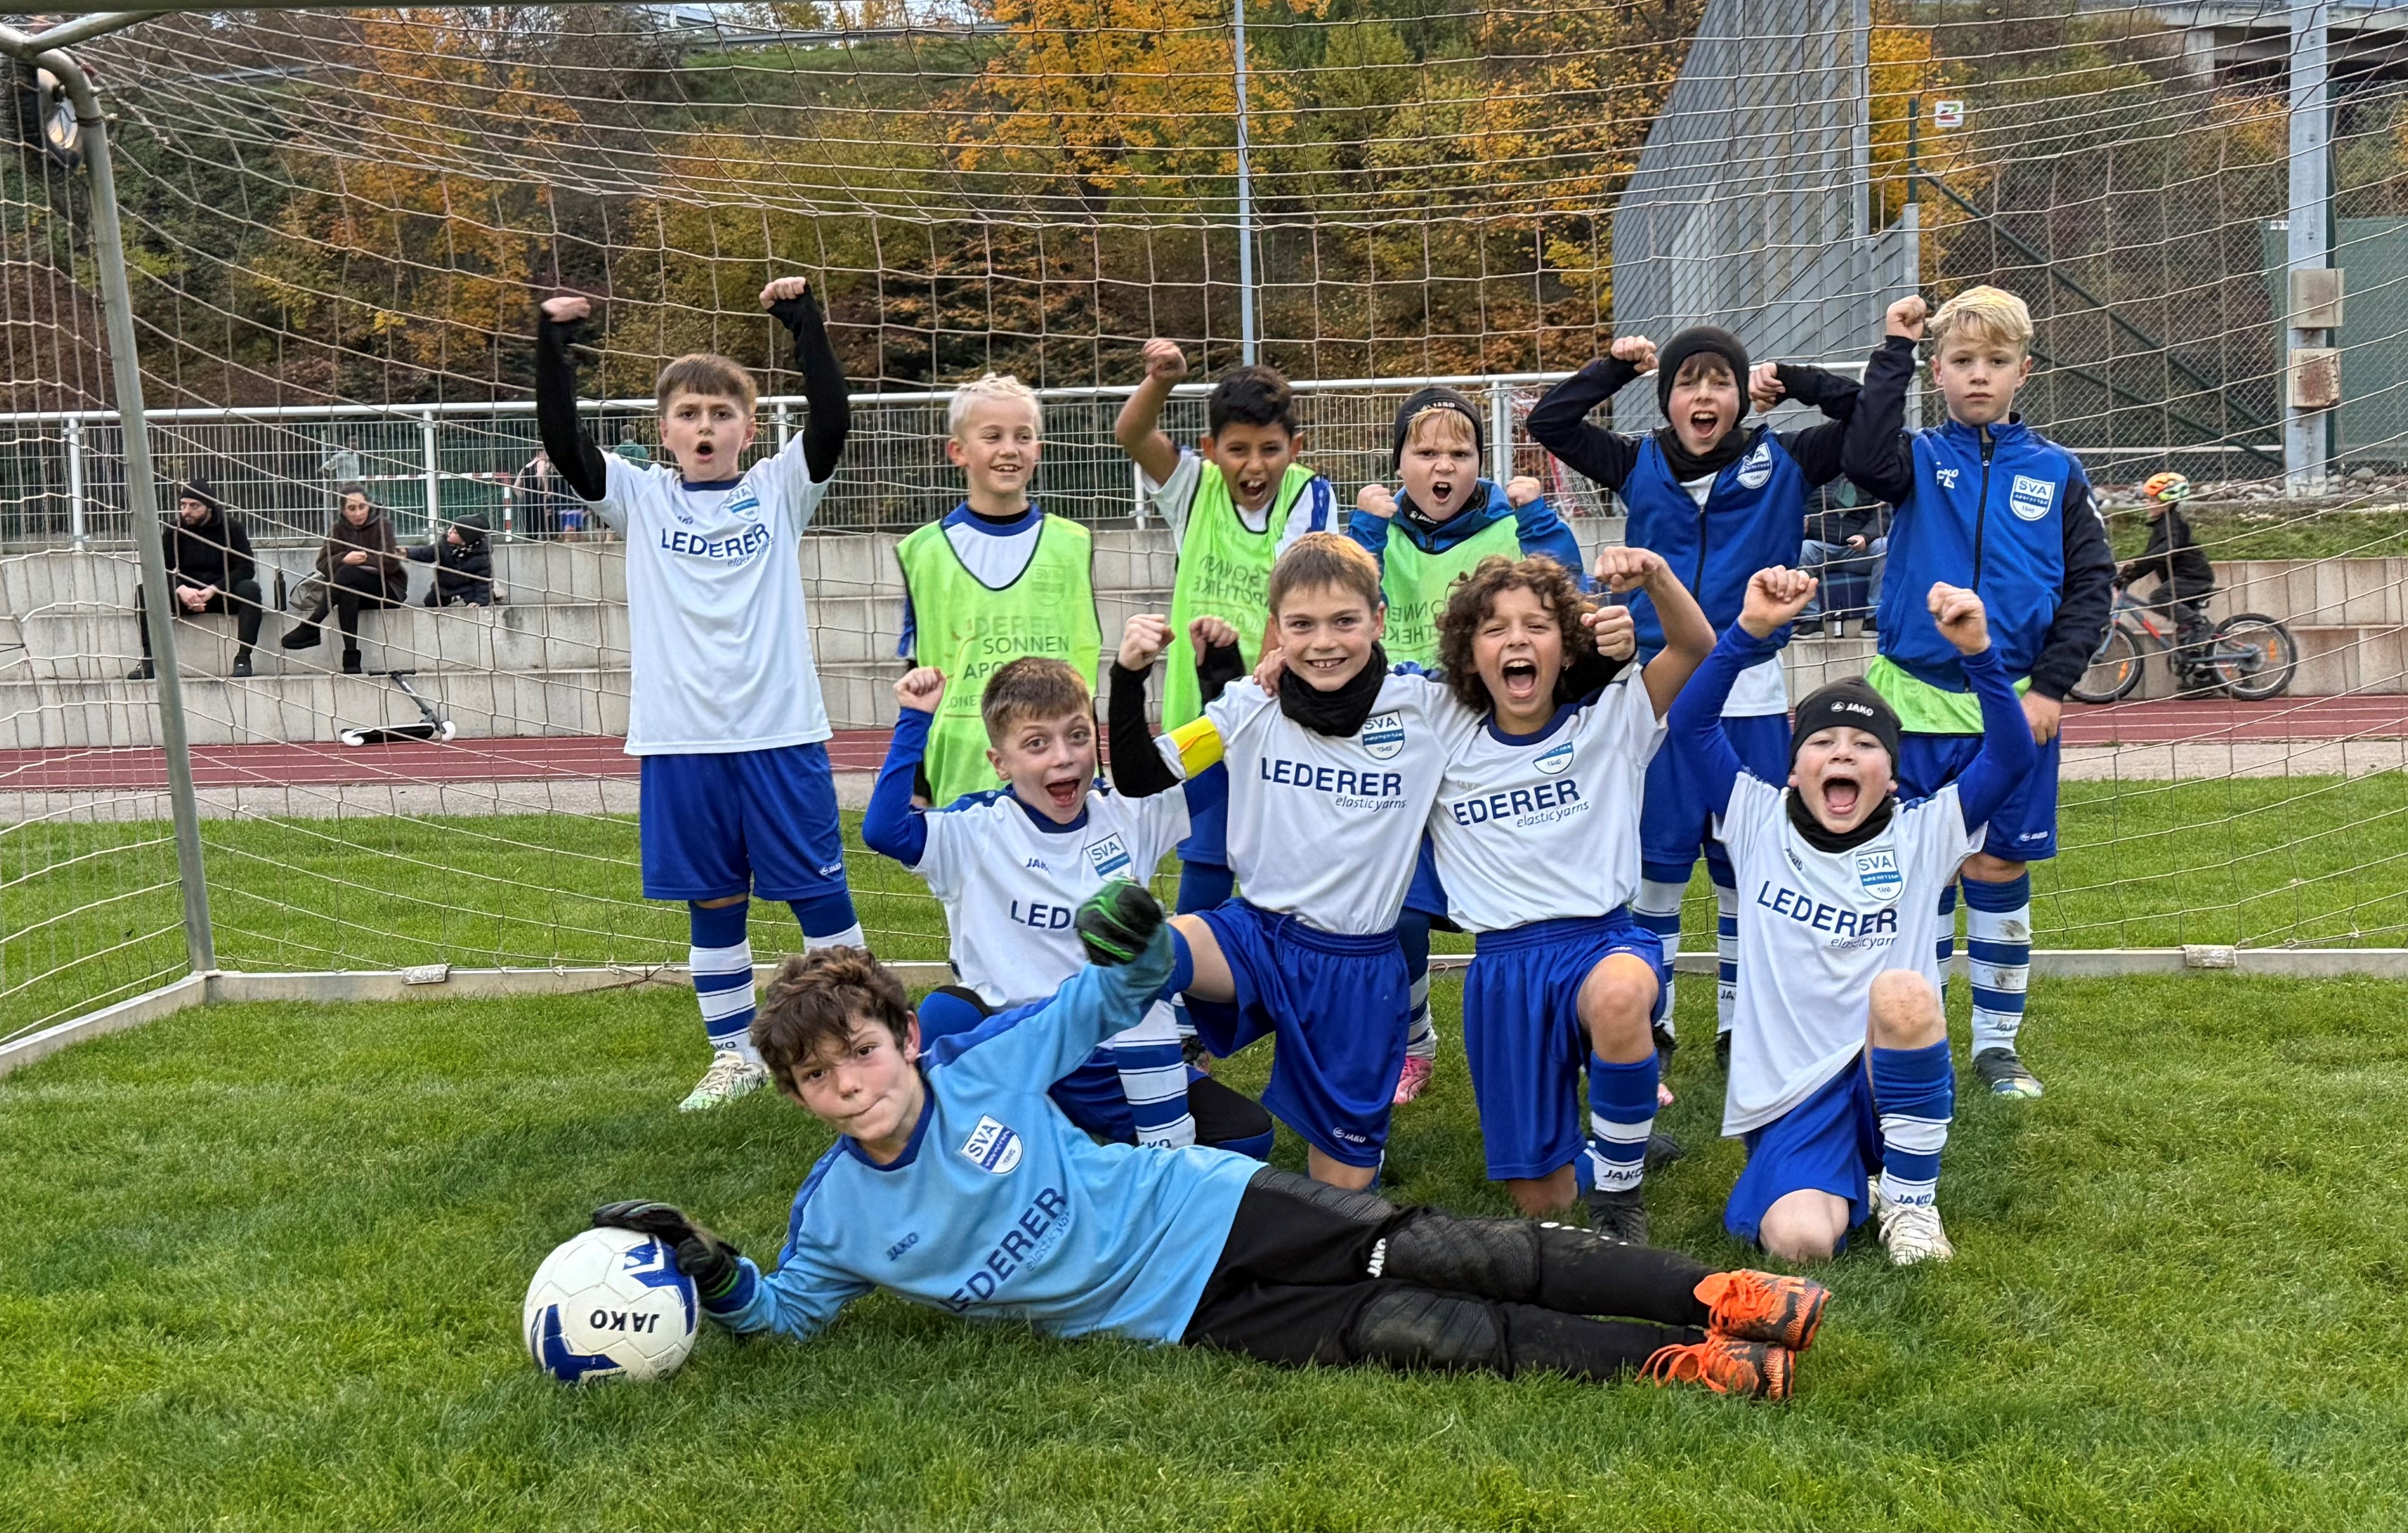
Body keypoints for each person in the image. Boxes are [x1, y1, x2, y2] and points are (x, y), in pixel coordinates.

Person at [590, 883, 1830, 1400]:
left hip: (1206, 1207)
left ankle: (1723, 1293)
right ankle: (1687, 1362)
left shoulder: (986, 1064)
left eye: (860, 1050)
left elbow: (1114, 993)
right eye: (817, 1076)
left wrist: (1134, 936)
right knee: (1421, 1334)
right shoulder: (838, 1218)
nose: (848, 1081)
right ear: (801, 1097)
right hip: (1172, 1316)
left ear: (907, 1038)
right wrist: (709, 1269)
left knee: (1454, 1249)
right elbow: (787, 1314)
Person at [1525, 326, 1902, 1088]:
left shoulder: (1786, 457)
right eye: (1687, 382)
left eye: (1719, 382)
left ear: (1739, 394)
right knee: (1656, 868)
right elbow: (1549, 424)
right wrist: (1612, 369)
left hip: (1752, 694)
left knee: (1750, 864)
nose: (1704, 396)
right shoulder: (1639, 461)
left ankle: (1742, 1022)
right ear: (1667, 397)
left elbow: (1871, 426)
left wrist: (1798, 377)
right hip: (1659, 691)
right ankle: (1651, 1021)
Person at [536, 275, 864, 1113]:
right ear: (665, 431)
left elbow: (831, 422)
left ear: (749, 431)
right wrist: (556, 347)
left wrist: (805, 326)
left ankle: (862, 1035)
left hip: (779, 730)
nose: (705, 426)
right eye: (690, 414)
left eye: (722, 414)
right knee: (713, 900)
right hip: (681, 741)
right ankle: (734, 1056)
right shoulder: (641, 497)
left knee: (818, 894)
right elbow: (565, 441)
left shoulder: (778, 491)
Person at [1669, 567, 2035, 1265]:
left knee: (1904, 994)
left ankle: (1910, 1202)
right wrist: (1749, 633)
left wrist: (1979, 653)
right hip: (1791, 1094)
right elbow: (1690, 721)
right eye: (1822, 743)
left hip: (1880, 1064)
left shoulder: (1926, 831)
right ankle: (1856, 1181)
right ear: (1793, 769)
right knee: (1801, 1243)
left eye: (1865, 746)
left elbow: (2013, 753)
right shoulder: (1754, 817)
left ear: (1892, 777)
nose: (1843, 752)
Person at [1831, 288, 2117, 1101]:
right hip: (1915, 705)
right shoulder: (1915, 458)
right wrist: (1893, 347)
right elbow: (1861, 460)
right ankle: (1908, 1029)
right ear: (1939, 371)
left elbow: (2092, 585)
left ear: (2023, 371)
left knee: (1995, 866)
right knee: (1916, 872)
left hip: (2012, 706)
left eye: (1995, 362)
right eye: (1961, 361)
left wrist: (2055, 684)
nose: (1978, 376)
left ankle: (1996, 1046)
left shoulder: (2058, 471)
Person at [1135, 533, 1456, 1190]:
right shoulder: (1251, 705)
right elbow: (1145, 775)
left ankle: (1349, 1147)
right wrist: (1127, 673)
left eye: (1344, 621)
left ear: (1379, 620)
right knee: (1138, 955)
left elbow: (1526, 691)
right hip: (1259, 935)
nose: (1324, 642)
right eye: (1302, 625)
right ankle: (1154, 1122)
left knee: (1342, 1198)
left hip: (1358, 971)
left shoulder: (1426, 708)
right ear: (1277, 631)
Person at [864, 645, 1270, 1158]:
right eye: (1037, 744)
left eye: (1078, 736)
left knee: (1249, 1134)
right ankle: (986, 1140)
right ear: (1000, 763)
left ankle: (1087, 1135)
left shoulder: (1127, 812)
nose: (1063, 757)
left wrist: (1231, 684)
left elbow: (1220, 771)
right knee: (949, 1014)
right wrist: (914, 720)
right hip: (1015, 1042)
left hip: (1107, 1053)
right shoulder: (976, 831)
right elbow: (882, 829)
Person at [1421, 546, 1713, 1242]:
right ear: (1469, 659)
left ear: (1569, 647)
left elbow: (1695, 644)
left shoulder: (1612, 720)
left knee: (1618, 997)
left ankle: (1619, 1197)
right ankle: (1616, 1145)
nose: (1516, 639)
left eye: (1537, 626)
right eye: (1494, 629)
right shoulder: (1443, 735)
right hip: (1504, 969)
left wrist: (1655, 579)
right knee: (1541, 1202)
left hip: (1604, 941)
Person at [1347, 390, 1576, 1107]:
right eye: (1425, 452)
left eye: (1459, 453)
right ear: (1399, 464)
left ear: (1480, 464)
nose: (1443, 466)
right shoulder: (1380, 529)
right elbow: (1344, 596)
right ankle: (1415, 1040)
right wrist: (1365, 530)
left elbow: (1569, 590)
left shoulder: (1507, 526)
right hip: (1402, 750)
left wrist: (1539, 516)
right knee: (1398, 908)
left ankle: (1562, 1037)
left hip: (1494, 743)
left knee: (1524, 905)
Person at [1111, 341, 1335, 953]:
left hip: (1277, 707)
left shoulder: (1309, 495)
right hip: (1204, 709)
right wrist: (1161, 381)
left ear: (1296, 447)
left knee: (1290, 863)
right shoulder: (1193, 488)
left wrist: (1268, 670)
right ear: (1212, 452)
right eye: (1238, 449)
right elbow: (1131, 431)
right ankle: (1189, 1013)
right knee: (1206, 853)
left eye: (1270, 449)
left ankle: (1292, 975)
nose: (1255, 464)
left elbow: (1297, 590)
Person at [895, 374, 1101, 807]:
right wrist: (918, 789)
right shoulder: (923, 552)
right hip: (963, 768)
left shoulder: (1073, 544)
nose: (1009, 448)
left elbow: (1085, 668)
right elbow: (917, 670)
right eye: (993, 436)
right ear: (959, 451)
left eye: (1022, 436)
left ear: (1037, 451)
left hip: (1059, 766)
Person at [128, 478, 263, 681]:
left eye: (194, 506)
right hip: (185, 595)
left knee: (251, 590)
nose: (187, 511)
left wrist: (214, 589)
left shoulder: (232, 528)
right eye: (183, 505)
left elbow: (246, 568)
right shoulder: (174, 530)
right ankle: (149, 661)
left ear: (209, 507)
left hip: (220, 594)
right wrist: (180, 590)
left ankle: (244, 657)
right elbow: (159, 569)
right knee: (144, 591)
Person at [279, 483, 407, 675]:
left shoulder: (383, 525)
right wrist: (343, 559)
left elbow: (391, 564)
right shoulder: (338, 530)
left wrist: (363, 559)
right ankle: (351, 660)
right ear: (344, 511)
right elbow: (322, 564)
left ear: (369, 506)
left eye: (361, 507)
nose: (357, 513)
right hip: (354, 590)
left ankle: (312, 625)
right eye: (351, 508)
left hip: (386, 590)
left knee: (348, 573)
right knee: (348, 590)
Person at [2122, 471, 2216, 655]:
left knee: (2160, 598)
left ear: (2167, 502)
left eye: (2152, 500)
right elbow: (2151, 559)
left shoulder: (2173, 525)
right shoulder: (2161, 526)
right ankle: (2199, 671)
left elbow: (2166, 549)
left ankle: (2201, 625)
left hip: (2192, 577)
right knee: (2185, 636)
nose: (2147, 504)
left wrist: (2136, 566)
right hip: (2182, 577)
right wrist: (2127, 576)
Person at [1799, 485, 1886, 636]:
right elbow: (1798, 506)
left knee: (1883, 546)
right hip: (1821, 548)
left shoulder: (1873, 479)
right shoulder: (1816, 477)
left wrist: (1865, 536)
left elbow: (1882, 517)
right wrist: (1799, 522)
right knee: (1802, 549)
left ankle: (1874, 619)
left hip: (1857, 551)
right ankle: (1811, 621)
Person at [403, 514, 495, 607]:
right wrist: (407, 553)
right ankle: (453, 598)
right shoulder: (444, 545)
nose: (449, 532)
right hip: (445, 586)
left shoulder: (481, 555)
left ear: (465, 540)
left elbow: (483, 582)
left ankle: (492, 594)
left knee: (473, 601)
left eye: (455, 532)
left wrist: (479, 602)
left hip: (467, 588)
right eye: (451, 527)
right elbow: (427, 553)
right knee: (430, 602)